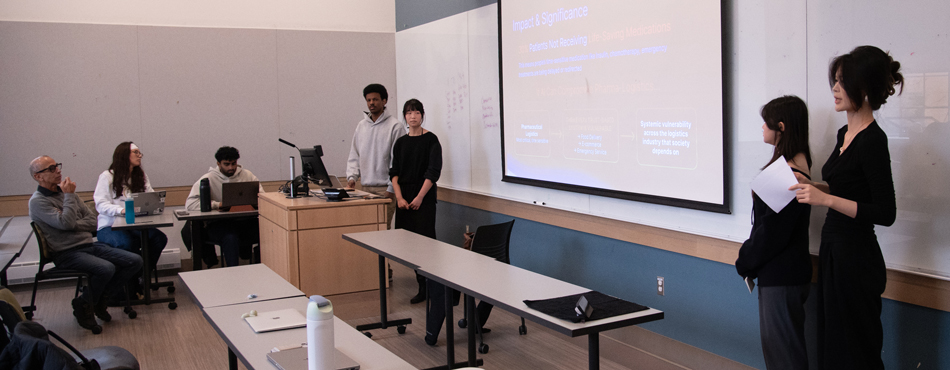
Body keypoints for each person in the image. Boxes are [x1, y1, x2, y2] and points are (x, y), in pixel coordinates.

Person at [790, 45, 901, 369]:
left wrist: (825, 199)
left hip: (857, 255)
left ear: (864, 89)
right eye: (835, 80)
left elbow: (885, 211)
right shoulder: (844, 133)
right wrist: (814, 186)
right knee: (833, 343)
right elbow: (845, 188)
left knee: (857, 349)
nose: (835, 89)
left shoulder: (873, 140)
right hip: (833, 250)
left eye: (843, 81)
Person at [735, 96, 812, 370]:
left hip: (782, 278)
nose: (762, 128)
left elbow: (771, 233)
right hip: (786, 275)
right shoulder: (795, 165)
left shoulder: (790, 173)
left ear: (780, 126)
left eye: (765, 122)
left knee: (784, 357)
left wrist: (744, 260)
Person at [28, 156, 143, 333]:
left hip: (87, 246)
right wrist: (68, 199)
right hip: (65, 253)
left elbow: (92, 221)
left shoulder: (68, 194)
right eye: (51, 169)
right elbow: (65, 223)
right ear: (38, 177)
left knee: (134, 260)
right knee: (105, 268)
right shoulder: (38, 201)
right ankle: (84, 305)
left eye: (57, 166)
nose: (58, 170)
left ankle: (98, 300)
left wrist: (71, 222)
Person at [389, 99, 445, 345]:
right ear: (404, 116)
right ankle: (420, 284)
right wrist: (400, 197)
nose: (413, 117)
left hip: (424, 197)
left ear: (423, 115)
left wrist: (420, 197)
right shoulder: (400, 142)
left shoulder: (431, 140)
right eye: (409, 113)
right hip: (404, 198)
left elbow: (433, 171)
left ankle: (429, 287)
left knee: (425, 244)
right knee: (407, 244)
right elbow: (394, 172)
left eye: (417, 113)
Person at [94, 142, 168, 274]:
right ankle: (131, 284)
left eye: (140, 153)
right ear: (124, 155)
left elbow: (150, 196)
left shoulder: (140, 176)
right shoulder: (107, 176)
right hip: (109, 226)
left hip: (134, 224)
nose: (140, 156)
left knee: (159, 238)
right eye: (136, 152)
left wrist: (154, 204)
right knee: (126, 244)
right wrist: (121, 210)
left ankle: (142, 275)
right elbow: (100, 204)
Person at [185, 146, 264, 268]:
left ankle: (264, 270)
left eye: (233, 164)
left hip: (245, 222)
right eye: (226, 164)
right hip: (219, 224)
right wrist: (217, 205)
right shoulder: (208, 178)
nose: (231, 168)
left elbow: (263, 197)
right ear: (218, 163)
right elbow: (190, 204)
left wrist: (253, 202)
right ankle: (233, 273)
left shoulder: (247, 175)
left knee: (268, 231)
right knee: (230, 238)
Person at [346, 83, 405, 229]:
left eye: (375, 99)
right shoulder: (361, 126)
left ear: (384, 101)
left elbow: (399, 162)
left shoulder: (395, 126)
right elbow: (354, 154)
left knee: (382, 231)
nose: (371, 103)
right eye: (368, 100)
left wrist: (391, 189)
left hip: (385, 189)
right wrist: (352, 177)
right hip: (364, 188)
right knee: (367, 231)